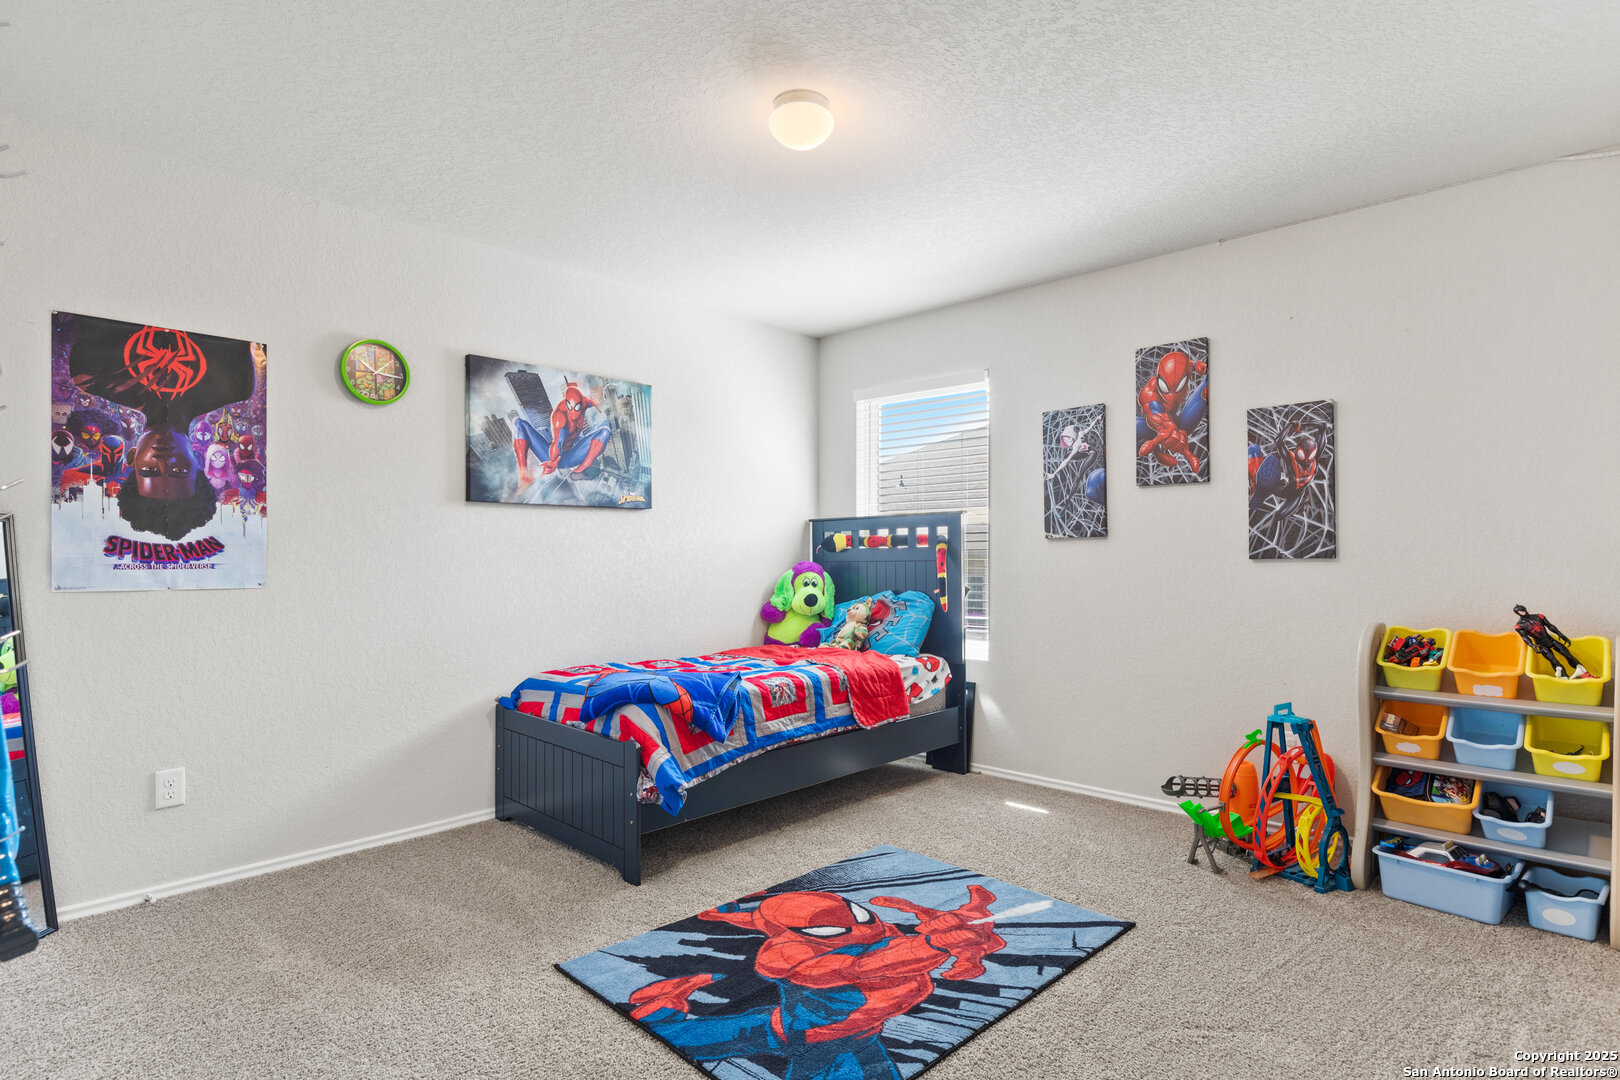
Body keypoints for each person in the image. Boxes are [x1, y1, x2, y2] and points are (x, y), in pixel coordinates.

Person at [66, 316, 258, 541]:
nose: (164, 460)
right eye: (179, 471)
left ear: (132, 457)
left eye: (149, 470)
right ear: (197, 462)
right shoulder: (236, 382)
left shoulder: (88, 372)